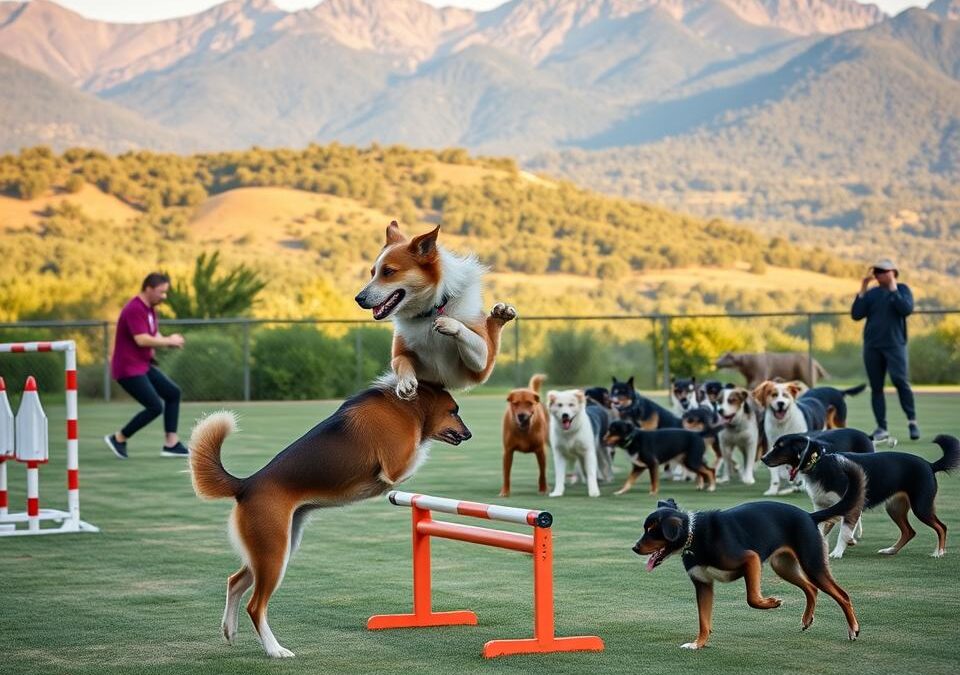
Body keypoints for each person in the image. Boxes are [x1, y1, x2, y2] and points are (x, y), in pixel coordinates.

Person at [104, 273, 188, 458]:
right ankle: (118, 438)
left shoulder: (150, 309)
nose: (164, 297)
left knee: (173, 393)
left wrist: (169, 341)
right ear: (148, 288)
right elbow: (141, 339)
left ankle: (171, 444)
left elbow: (153, 334)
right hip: (127, 369)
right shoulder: (135, 308)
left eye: (166, 292)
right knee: (155, 407)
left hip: (142, 365)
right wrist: (168, 341)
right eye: (161, 292)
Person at [851, 258, 918, 442]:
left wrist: (893, 287)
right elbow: (856, 314)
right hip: (872, 346)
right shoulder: (871, 294)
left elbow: (906, 309)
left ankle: (912, 421)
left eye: (882, 271)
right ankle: (882, 428)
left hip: (895, 345)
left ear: (893, 272)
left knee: (900, 381)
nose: (878, 274)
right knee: (877, 387)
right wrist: (863, 288)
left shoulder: (903, 290)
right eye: (877, 271)